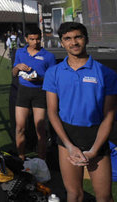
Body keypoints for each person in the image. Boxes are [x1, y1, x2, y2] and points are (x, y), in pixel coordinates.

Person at [43, 22, 117, 202]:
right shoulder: (54, 72)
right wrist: (69, 145)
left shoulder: (106, 73)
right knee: (74, 195)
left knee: (104, 197)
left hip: (96, 137)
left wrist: (94, 150)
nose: (73, 42)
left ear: (86, 39)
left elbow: (109, 116)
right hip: (67, 137)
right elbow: (52, 112)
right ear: (62, 43)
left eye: (78, 37)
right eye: (67, 39)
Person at [12, 25, 56, 160]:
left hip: (40, 93)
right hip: (23, 92)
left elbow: (52, 79)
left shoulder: (48, 56)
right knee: (20, 128)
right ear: (26, 39)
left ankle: (41, 162)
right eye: (32, 39)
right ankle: (21, 159)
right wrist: (18, 67)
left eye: (37, 39)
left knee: (40, 130)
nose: (35, 42)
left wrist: (39, 78)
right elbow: (14, 74)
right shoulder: (20, 53)